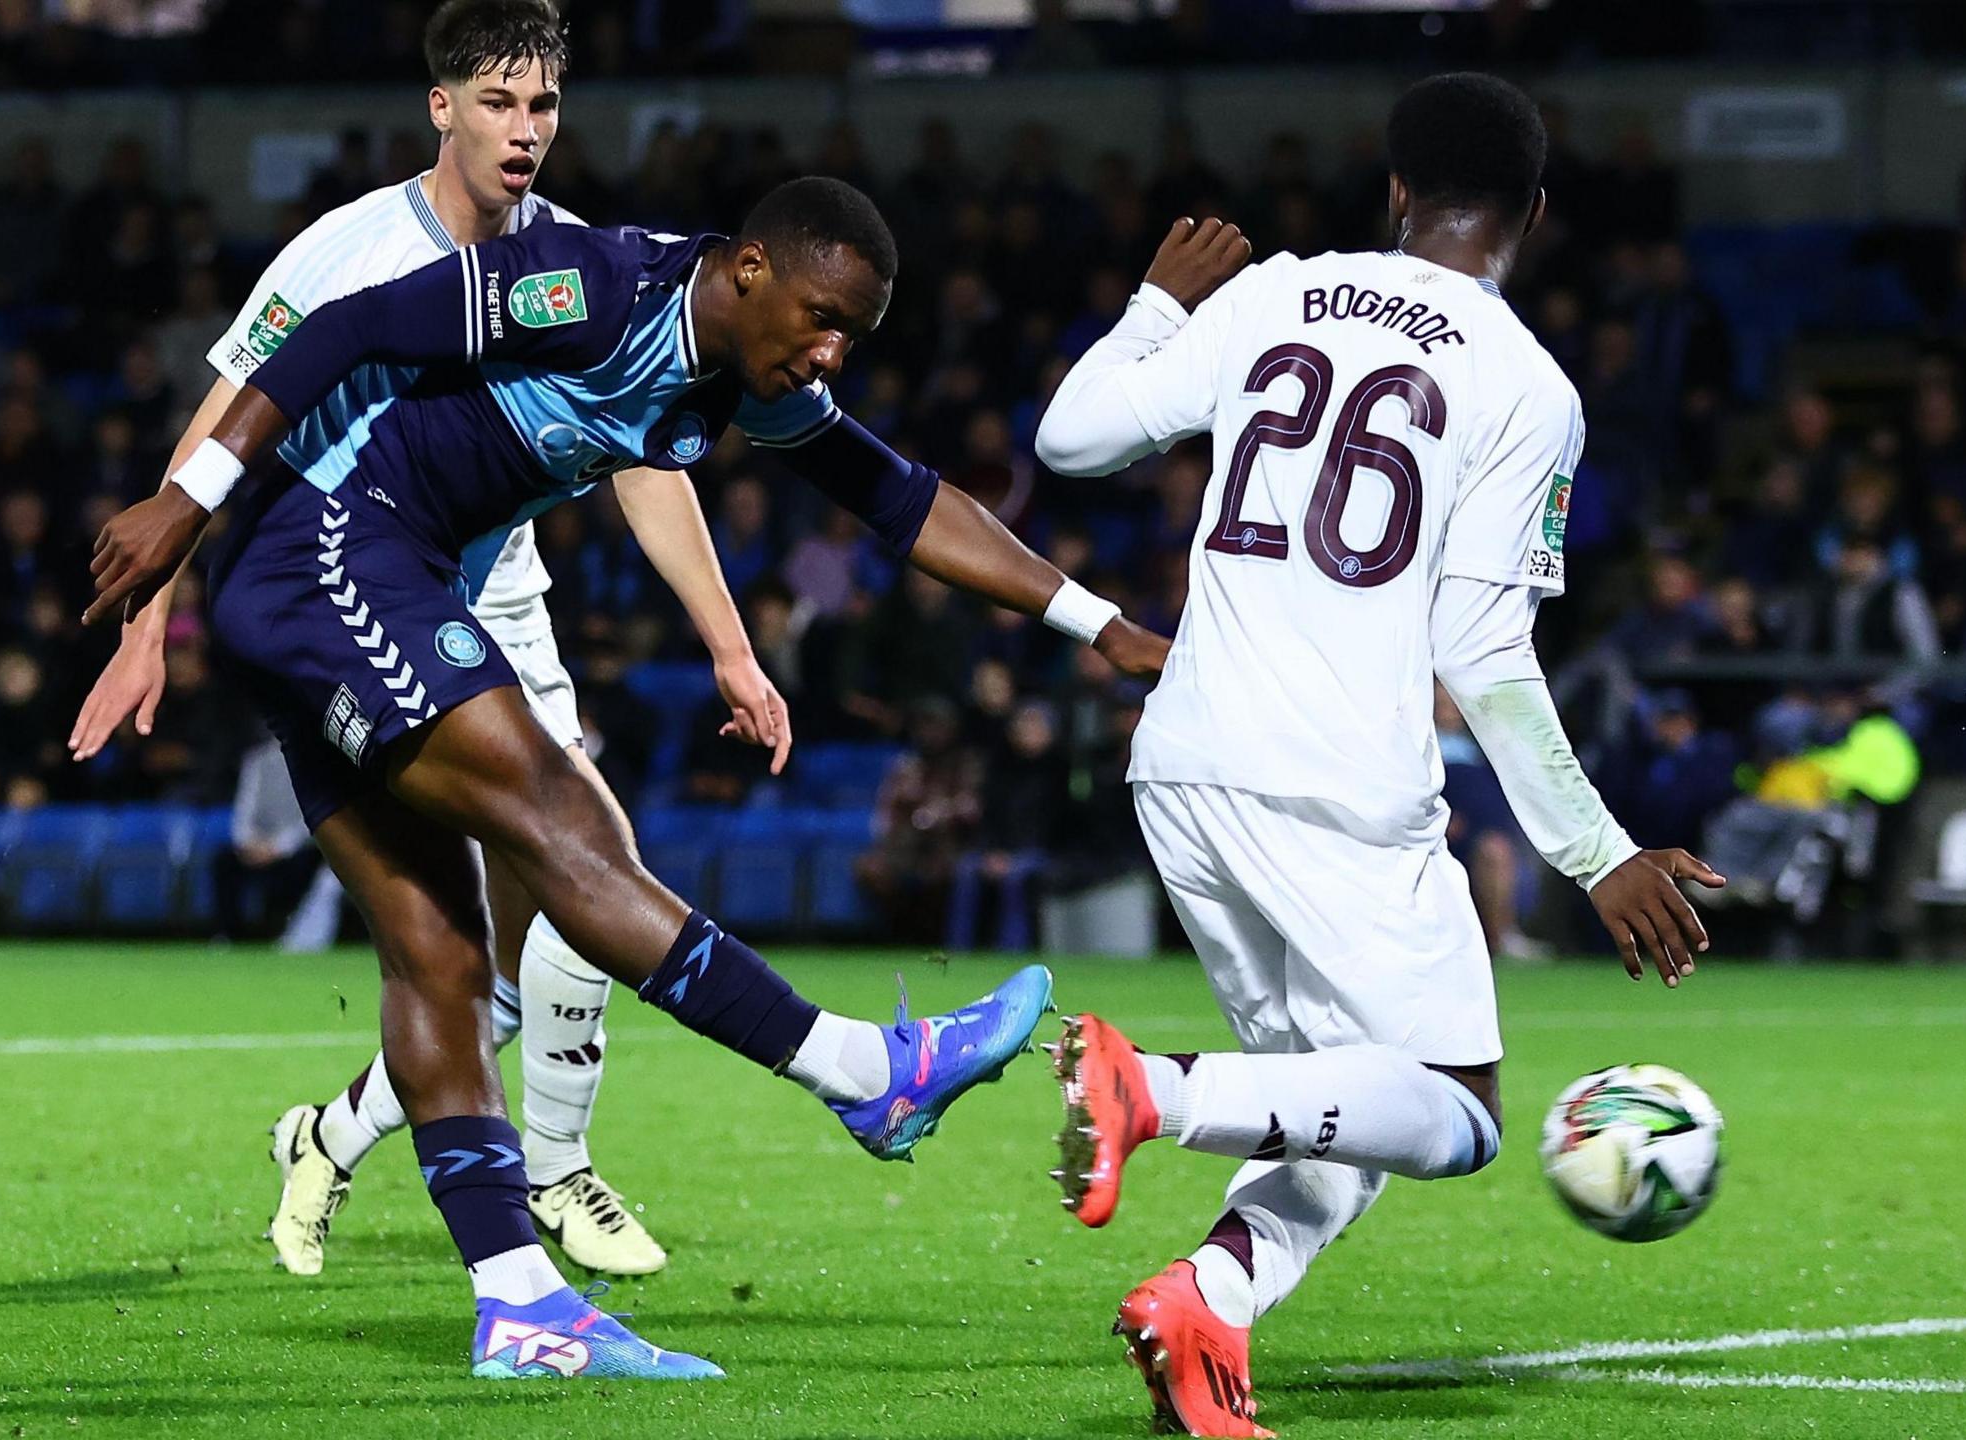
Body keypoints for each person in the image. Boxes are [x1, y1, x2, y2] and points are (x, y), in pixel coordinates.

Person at [84, 172, 1171, 1378]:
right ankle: (864, 1074)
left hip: (336, 588)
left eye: (850, 337)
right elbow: (348, 329)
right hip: (335, 547)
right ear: (748, 269)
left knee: (441, 959)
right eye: (818, 319)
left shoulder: (734, 376)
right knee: (565, 829)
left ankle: (519, 1307)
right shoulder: (595, 289)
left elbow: (901, 498)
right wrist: (183, 506)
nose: (827, 355)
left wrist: (1098, 623)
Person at [63, 2, 790, 1297]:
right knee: (467, 944)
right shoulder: (343, 255)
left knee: (575, 888)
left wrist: (729, 648)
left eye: (546, 106)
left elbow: (647, 456)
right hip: (353, 596)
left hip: (503, 603)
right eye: (500, 103)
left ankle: (453, 1151)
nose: (527, 131)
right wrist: (146, 626)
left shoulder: (581, 257)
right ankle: (491, 1171)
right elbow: (222, 423)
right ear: (441, 108)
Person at [1032, 74, 1722, 1437]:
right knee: (1455, 1111)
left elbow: (1071, 438)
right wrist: (1599, 850)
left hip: (1185, 765)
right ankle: (1148, 1088)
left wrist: (1158, 305)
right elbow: (1482, 644)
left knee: (1340, 1108)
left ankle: (1204, 1311)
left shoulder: (1280, 289)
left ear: (1394, 190)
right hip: (1339, 784)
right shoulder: (1530, 385)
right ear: (1534, 214)